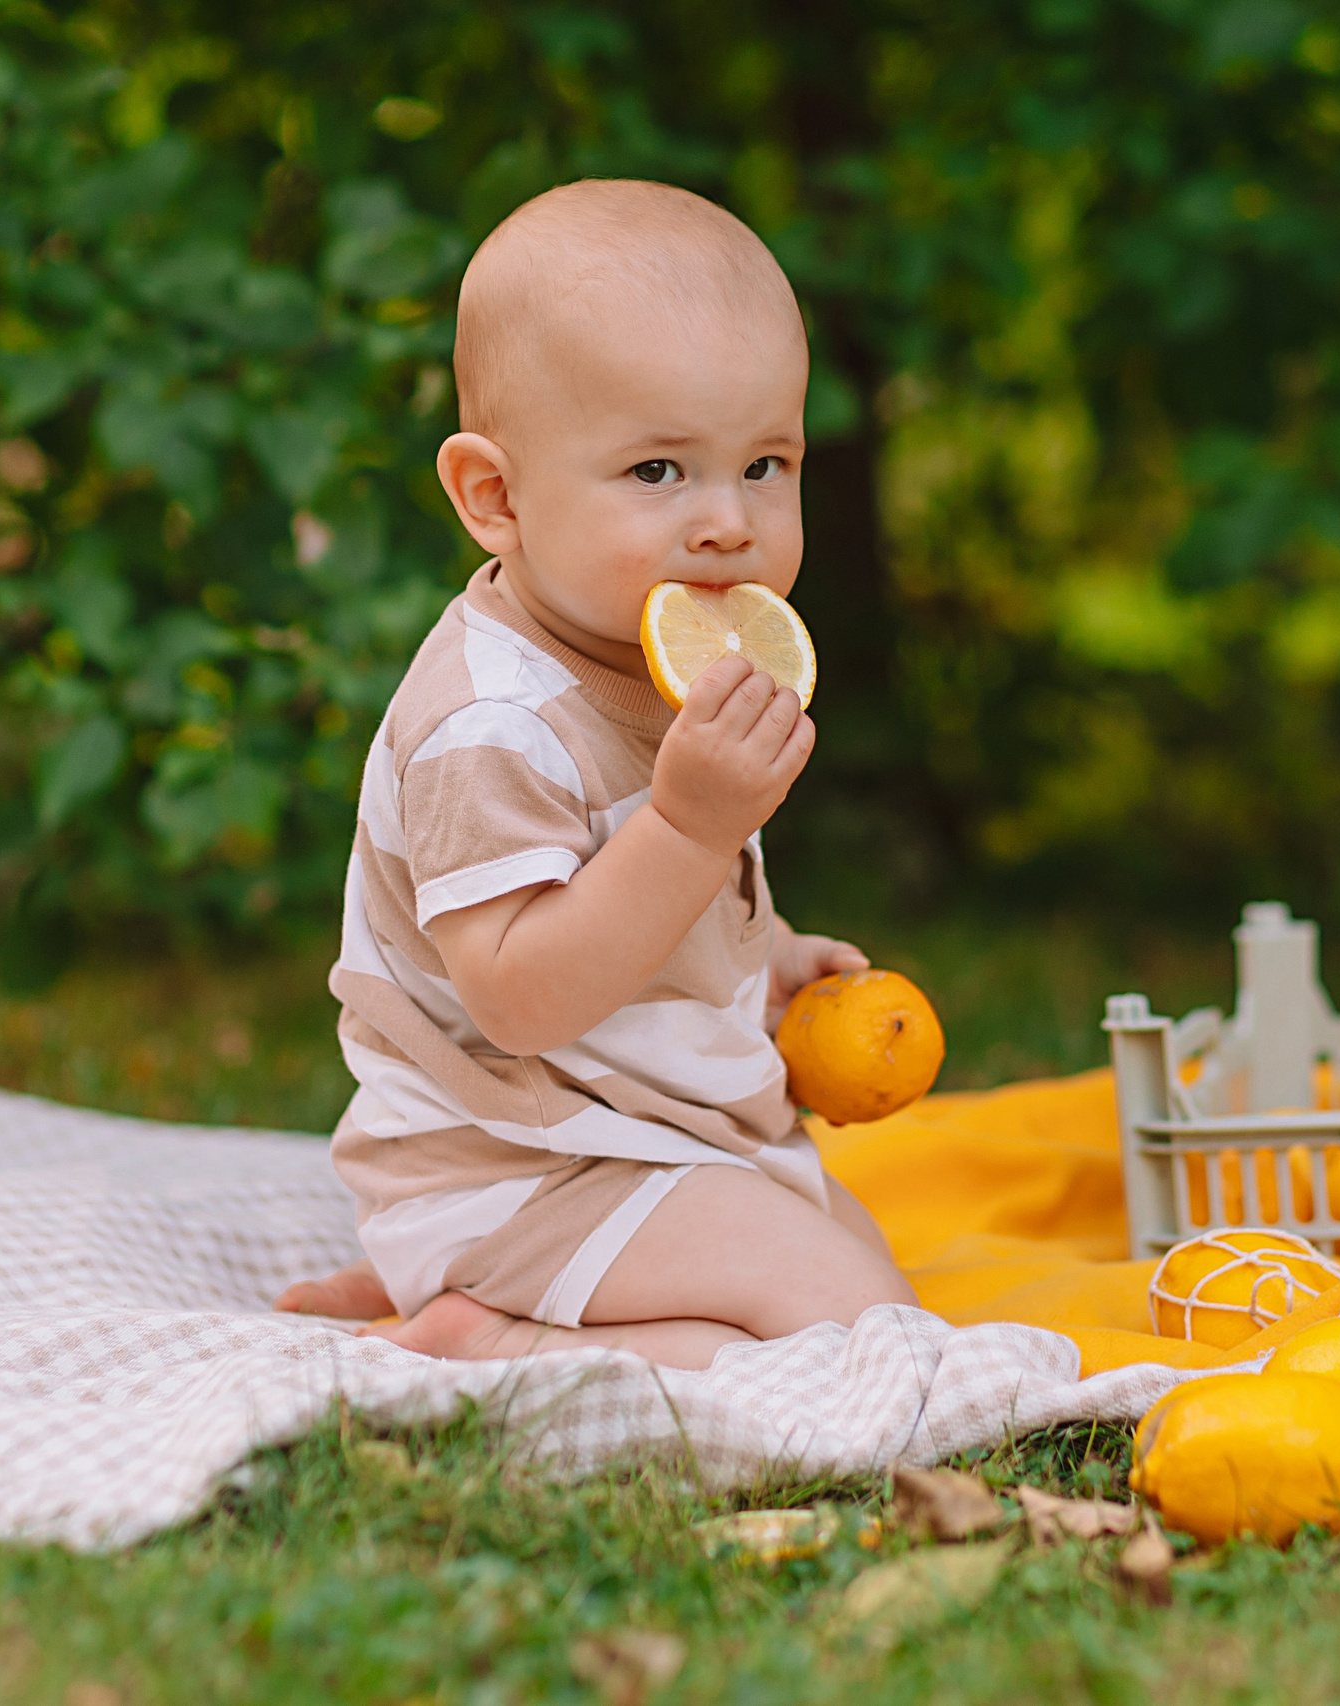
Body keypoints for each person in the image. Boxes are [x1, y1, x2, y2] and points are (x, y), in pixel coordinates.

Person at [274, 179, 918, 1368]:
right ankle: (487, 1327)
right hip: (518, 1162)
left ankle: (519, 1296)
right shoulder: (490, 724)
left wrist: (765, 960)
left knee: (875, 1280)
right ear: (495, 497)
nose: (727, 521)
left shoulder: (656, 659)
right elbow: (523, 997)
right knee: (859, 1334)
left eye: (765, 463)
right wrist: (691, 827)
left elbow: (641, 918)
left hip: (643, 1136)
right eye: (658, 470)